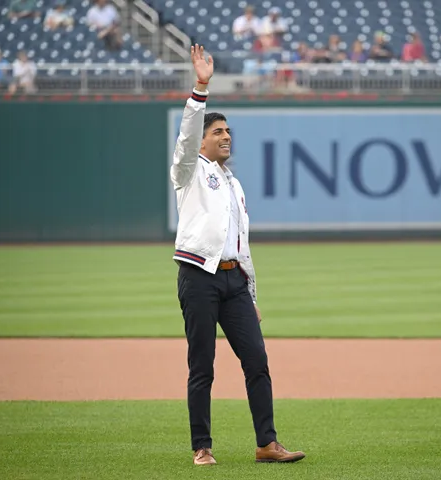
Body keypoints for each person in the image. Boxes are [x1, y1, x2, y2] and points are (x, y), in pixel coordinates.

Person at [170, 43, 306, 467]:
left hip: (233, 282)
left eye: (228, 131)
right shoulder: (188, 169)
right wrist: (201, 86)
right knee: (202, 366)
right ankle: (202, 447)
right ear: (202, 142)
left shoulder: (233, 183)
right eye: (218, 132)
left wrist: (252, 292)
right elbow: (189, 131)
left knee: (258, 362)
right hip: (199, 276)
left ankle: (267, 443)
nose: (226, 137)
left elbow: (241, 244)